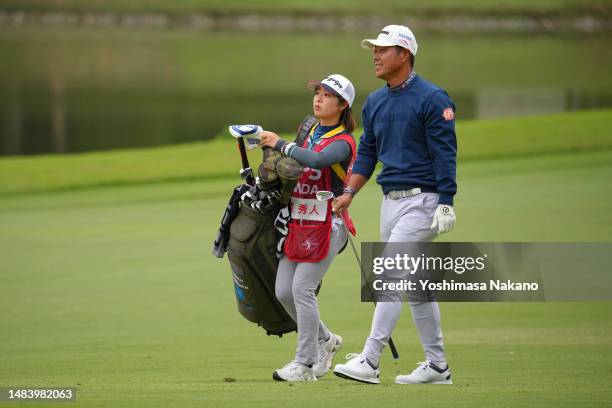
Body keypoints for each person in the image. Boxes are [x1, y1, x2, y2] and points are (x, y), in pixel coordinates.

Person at [331, 25, 458, 384]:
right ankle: (437, 367)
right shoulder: (375, 102)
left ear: (404, 54)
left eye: (384, 49)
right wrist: (349, 192)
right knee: (416, 286)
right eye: (374, 48)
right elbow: (368, 153)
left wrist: (446, 202)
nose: (375, 54)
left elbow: (445, 154)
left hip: (424, 201)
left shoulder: (433, 99)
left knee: (388, 274)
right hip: (390, 203)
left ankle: (370, 360)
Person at [259, 74, 358, 382]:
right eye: (317, 92)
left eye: (327, 95)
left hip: (330, 224)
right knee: (284, 291)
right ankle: (325, 340)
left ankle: (305, 364)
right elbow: (295, 163)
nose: (318, 98)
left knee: (302, 289)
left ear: (342, 105)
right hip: (299, 221)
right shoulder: (310, 129)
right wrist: (268, 150)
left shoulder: (343, 141)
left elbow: (316, 160)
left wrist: (282, 144)